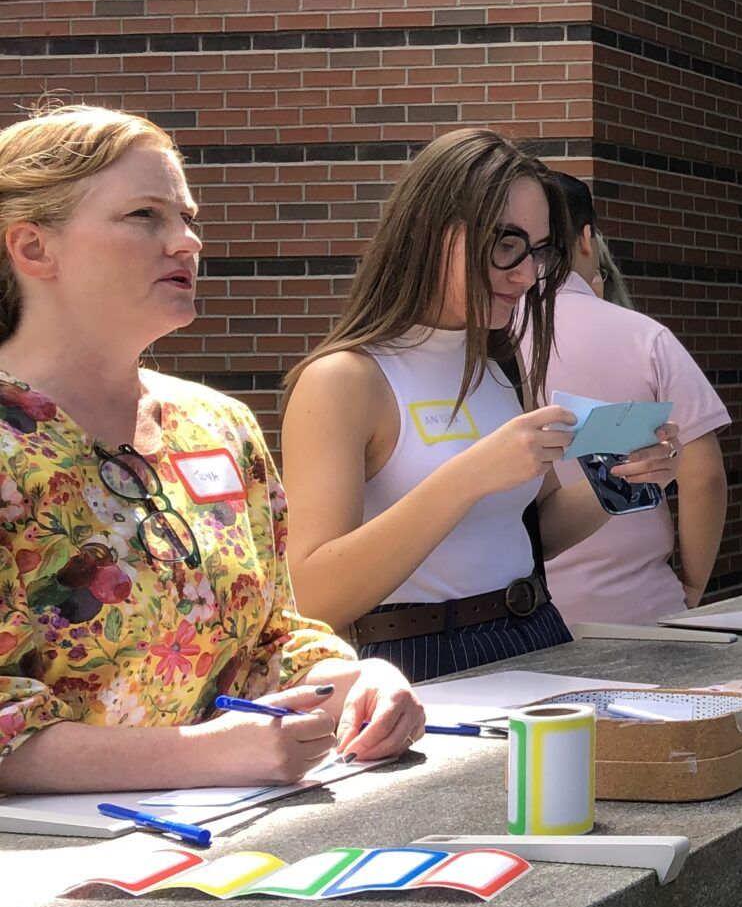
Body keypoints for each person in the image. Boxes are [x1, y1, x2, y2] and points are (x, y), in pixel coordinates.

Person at [0, 105, 424, 791]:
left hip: (232, 849)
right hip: (49, 880)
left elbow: (271, 639)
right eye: (145, 216)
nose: (186, 241)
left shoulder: (219, 425)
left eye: (188, 218)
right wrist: (213, 754)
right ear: (32, 249)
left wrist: (352, 682)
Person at [280, 130, 678, 682]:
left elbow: (533, 531)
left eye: (540, 251)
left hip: (535, 631)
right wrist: (469, 476)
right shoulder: (345, 380)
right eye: (505, 243)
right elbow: (312, 594)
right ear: (431, 231)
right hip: (418, 656)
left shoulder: (496, 365)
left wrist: (627, 477)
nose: (526, 273)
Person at [542, 171, 732, 620]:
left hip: (512, 614)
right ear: (587, 239)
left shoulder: (479, 345)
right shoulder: (644, 337)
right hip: (638, 601)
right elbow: (703, 475)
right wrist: (692, 586)